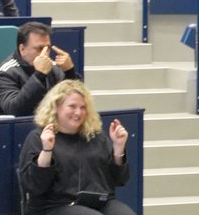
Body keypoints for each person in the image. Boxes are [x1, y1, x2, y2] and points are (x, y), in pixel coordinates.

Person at [19, 80, 134, 215]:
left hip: (98, 202)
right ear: (56, 107)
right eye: (72, 106)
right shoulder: (38, 137)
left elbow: (119, 180)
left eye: (83, 107)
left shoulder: (96, 137)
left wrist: (118, 148)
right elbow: (35, 186)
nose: (78, 112)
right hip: (53, 206)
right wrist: (47, 150)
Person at [0, 21, 79, 116]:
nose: (45, 54)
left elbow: (74, 102)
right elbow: (15, 111)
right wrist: (39, 75)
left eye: (47, 48)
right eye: (39, 48)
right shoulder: (4, 73)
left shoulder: (53, 68)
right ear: (22, 49)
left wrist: (69, 72)